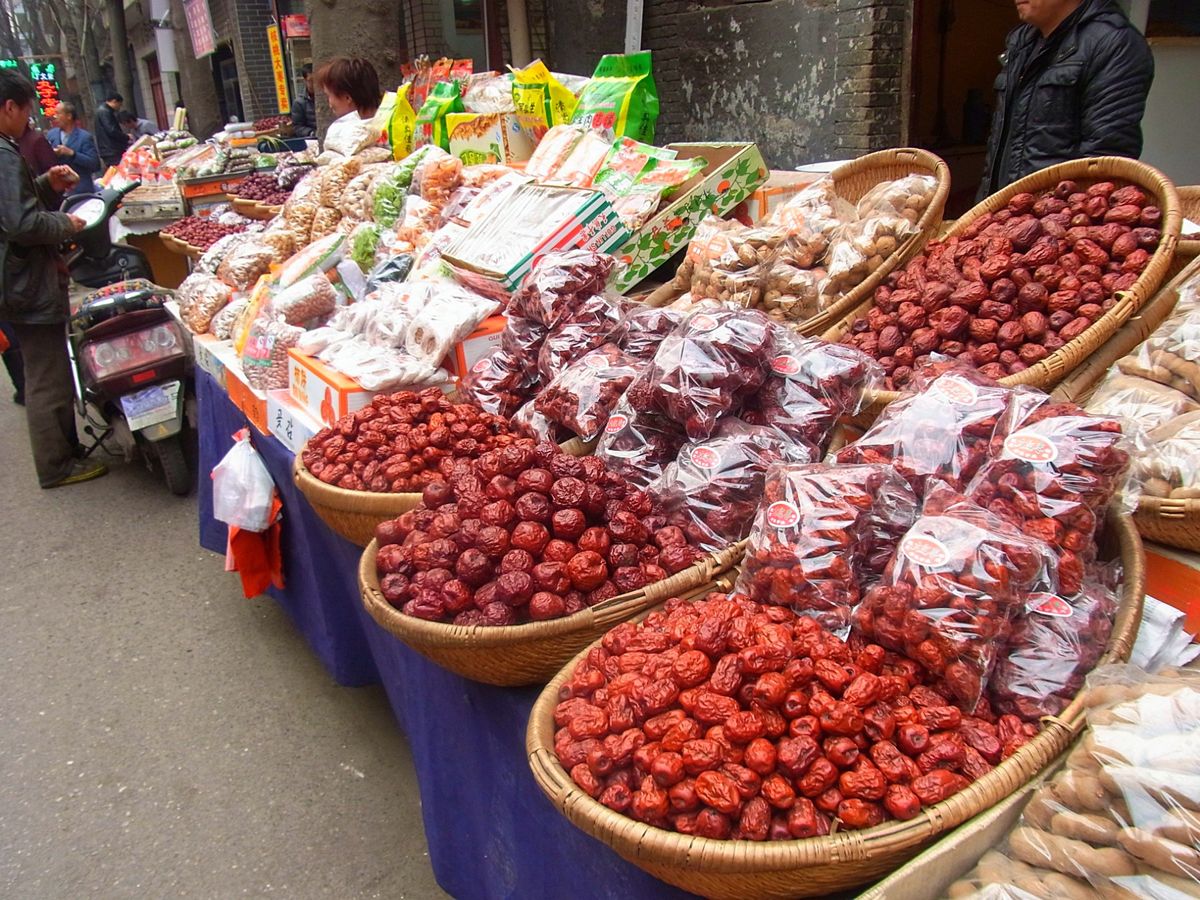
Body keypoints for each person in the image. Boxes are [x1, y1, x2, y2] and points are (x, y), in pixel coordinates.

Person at [0, 70, 106, 488]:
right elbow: (20, 222)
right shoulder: (4, 154)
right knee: (47, 375)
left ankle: (65, 451)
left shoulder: (8, 151)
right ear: (10, 107)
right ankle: (57, 465)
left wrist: (46, 182)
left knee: (49, 368)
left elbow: (16, 208)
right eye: (26, 113)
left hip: (19, 279)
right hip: (25, 281)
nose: (28, 122)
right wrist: (66, 223)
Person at [979, 0, 1154, 198]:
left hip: (1057, 218)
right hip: (1004, 213)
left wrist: (1054, 218)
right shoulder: (1023, 40)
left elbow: (1103, 160)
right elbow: (1001, 148)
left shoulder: (1114, 43)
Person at [47, 102, 101, 195]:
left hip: (81, 191)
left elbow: (95, 164)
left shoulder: (84, 137)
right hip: (59, 193)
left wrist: (72, 154)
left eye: (58, 113)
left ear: (69, 116)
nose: (55, 117)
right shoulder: (51, 135)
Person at [315, 56, 381, 126]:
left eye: (329, 96)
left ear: (347, 98)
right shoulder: (390, 124)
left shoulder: (341, 132)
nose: (330, 105)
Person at [94, 91, 128, 170]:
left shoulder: (103, 111)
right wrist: (125, 137)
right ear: (114, 101)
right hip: (112, 150)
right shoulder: (105, 112)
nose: (119, 107)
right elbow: (111, 130)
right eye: (119, 105)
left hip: (109, 149)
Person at [290, 63, 316, 138]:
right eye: (311, 81)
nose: (315, 84)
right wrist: (312, 133)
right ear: (305, 81)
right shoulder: (299, 102)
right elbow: (298, 127)